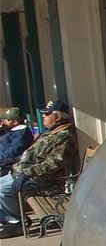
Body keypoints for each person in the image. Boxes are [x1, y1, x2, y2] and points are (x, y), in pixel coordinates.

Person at [0, 100, 77, 238]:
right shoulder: (50, 132)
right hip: (22, 172)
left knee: (2, 191)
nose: (43, 117)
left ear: (58, 117)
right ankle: (9, 219)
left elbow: (54, 163)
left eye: (47, 114)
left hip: (41, 179)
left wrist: (26, 173)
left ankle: (17, 222)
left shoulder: (64, 136)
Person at [0, 107, 34, 175]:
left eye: (7, 120)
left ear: (15, 122)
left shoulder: (22, 134)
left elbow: (13, 152)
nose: (4, 122)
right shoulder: (8, 131)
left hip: (9, 167)